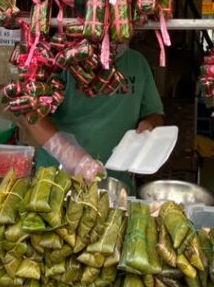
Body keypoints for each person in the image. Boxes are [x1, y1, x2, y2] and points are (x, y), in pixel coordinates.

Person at [22, 44, 164, 191]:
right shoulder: (62, 60)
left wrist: (149, 125)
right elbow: (30, 114)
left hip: (115, 180)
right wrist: (70, 155)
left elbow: (154, 114)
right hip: (57, 176)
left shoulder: (137, 63)